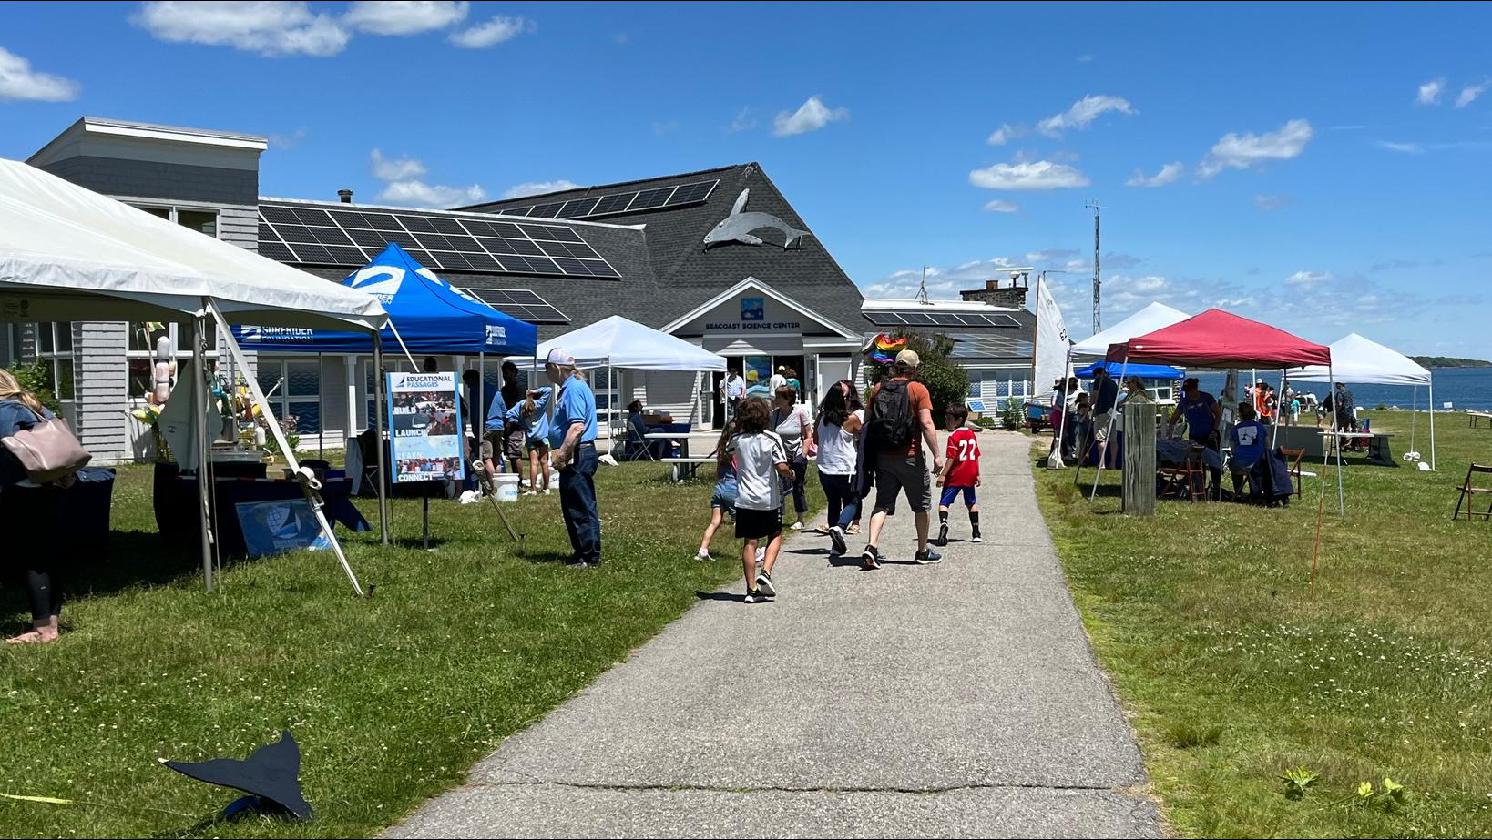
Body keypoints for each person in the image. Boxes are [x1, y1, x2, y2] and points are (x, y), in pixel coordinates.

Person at [860, 349, 945, 569]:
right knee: (922, 504)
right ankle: (922, 551)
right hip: (910, 457)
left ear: (896, 366)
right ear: (914, 368)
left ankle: (871, 546)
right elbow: (927, 424)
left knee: (882, 504)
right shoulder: (918, 389)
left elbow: (867, 422)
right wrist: (937, 455)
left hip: (883, 458)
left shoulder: (878, 388)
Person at [0, 370, 67, 644]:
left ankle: (43, 630)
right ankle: (51, 620)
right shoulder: (32, 405)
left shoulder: (4, 411)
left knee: (32, 557)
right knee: (47, 554)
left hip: (22, 490)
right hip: (50, 486)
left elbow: (7, 449)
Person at [725, 397, 793, 603]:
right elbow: (781, 466)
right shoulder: (771, 438)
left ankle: (751, 589)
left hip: (745, 497)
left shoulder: (737, 439)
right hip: (768, 497)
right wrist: (790, 474)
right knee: (775, 534)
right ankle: (766, 572)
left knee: (750, 542)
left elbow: (728, 452)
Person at [546, 348, 602, 567]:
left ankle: (589, 556)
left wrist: (562, 453)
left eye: (547, 368)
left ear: (556, 367)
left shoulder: (574, 389)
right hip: (576, 453)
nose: (546, 373)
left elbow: (577, 427)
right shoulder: (569, 388)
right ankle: (581, 551)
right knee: (572, 506)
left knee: (581, 506)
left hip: (578, 454)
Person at [814, 382, 863, 555]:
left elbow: (815, 439)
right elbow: (865, 437)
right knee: (853, 501)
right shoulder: (851, 420)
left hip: (824, 467)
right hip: (845, 468)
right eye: (848, 398)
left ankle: (836, 546)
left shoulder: (821, 418)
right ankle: (840, 528)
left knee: (833, 503)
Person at [934, 405, 981, 547]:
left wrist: (943, 475)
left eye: (950, 419)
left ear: (959, 420)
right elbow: (976, 455)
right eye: (946, 418)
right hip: (970, 474)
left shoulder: (954, 436)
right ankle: (976, 533)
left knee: (944, 503)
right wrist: (977, 474)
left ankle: (944, 523)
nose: (947, 421)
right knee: (971, 503)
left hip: (955, 475)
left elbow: (951, 458)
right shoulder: (972, 435)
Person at [1169, 377, 1224, 497]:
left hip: (1210, 434)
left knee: (1214, 461)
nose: (1188, 393)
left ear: (1195, 389)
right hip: (1195, 435)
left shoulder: (1206, 397)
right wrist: (1170, 428)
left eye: (1190, 390)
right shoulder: (1184, 401)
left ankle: (1216, 488)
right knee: (1198, 463)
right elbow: (1175, 417)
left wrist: (1214, 429)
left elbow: (1218, 414)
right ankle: (1199, 487)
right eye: (1186, 391)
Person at [695, 421, 740, 562]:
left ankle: (703, 550)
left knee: (714, 523)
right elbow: (739, 470)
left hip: (720, 488)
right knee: (745, 523)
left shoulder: (721, 448)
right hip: (733, 490)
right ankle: (755, 551)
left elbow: (718, 471)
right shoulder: (736, 449)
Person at [771, 386, 813, 531]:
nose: (775, 400)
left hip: (796, 456)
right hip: (779, 457)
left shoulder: (800, 413)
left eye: (778, 397)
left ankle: (800, 518)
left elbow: (808, 435)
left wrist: (803, 454)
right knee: (778, 487)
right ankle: (778, 516)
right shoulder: (774, 415)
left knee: (797, 487)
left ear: (788, 399)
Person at [508, 388, 552, 495]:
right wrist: (536, 391)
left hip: (531, 438)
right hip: (543, 437)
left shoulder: (522, 405)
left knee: (533, 463)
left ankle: (533, 489)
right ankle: (546, 488)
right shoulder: (540, 404)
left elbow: (509, 414)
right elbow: (549, 390)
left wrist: (519, 423)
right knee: (544, 462)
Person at [1228, 402, 1269, 499]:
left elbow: (1233, 449)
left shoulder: (1235, 429)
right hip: (1258, 463)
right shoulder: (1260, 427)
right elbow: (1267, 444)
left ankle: (1238, 491)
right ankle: (1256, 491)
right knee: (1258, 468)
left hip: (1240, 464)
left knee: (1233, 464)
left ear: (1240, 414)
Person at [500, 361, 526, 482]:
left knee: (515, 454)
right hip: (506, 424)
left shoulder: (519, 387)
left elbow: (520, 407)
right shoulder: (504, 390)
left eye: (508, 373)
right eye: (504, 373)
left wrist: (511, 422)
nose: (506, 376)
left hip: (516, 425)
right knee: (510, 454)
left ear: (514, 373)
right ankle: (516, 478)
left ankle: (519, 480)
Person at [1090, 367, 1120, 467]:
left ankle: (1102, 464)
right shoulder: (1114, 383)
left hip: (1102, 411)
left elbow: (1095, 396)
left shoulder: (1098, 380)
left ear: (1098, 374)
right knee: (1113, 440)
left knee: (1101, 438)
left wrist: (1089, 407)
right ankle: (1113, 463)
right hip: (1114, 412)